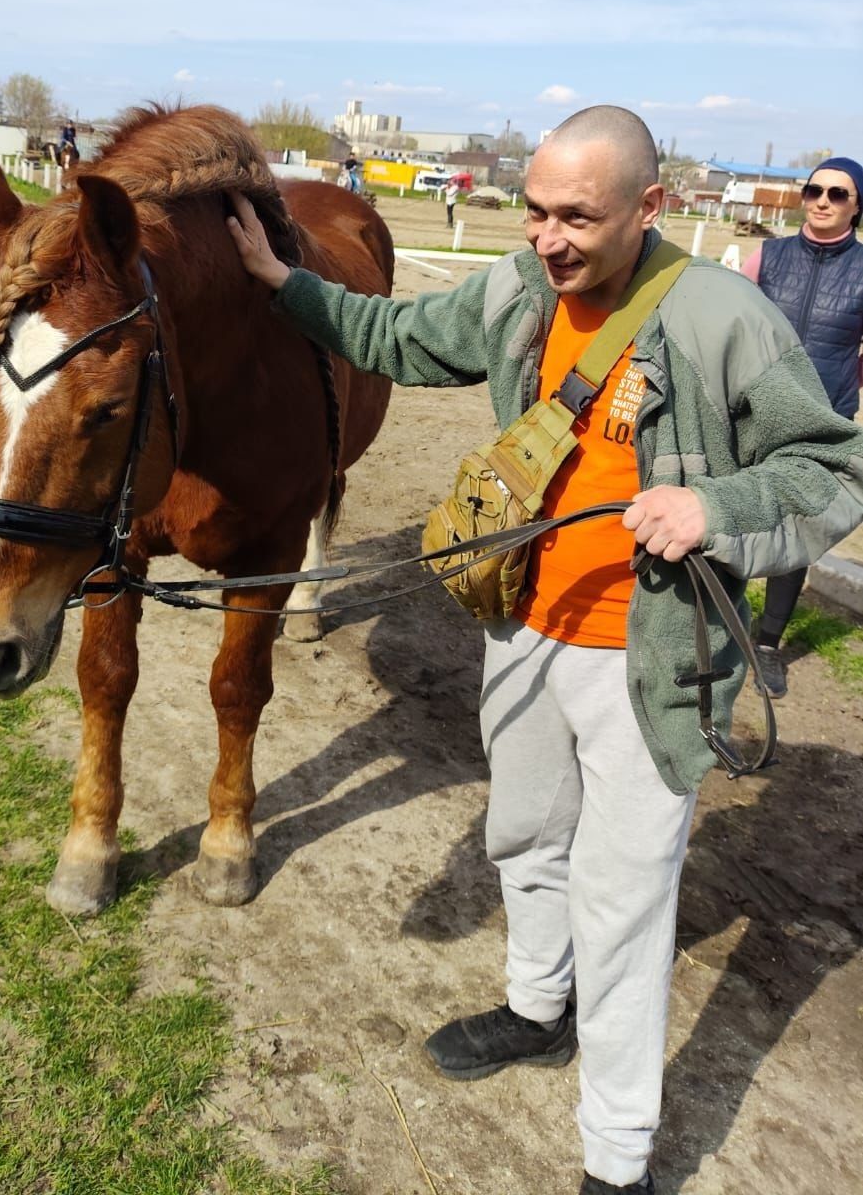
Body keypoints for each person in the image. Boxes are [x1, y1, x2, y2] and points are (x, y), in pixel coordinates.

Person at [226, 106, 863, 1194]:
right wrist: (283, 282)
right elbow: (392, 338)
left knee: (622, 902)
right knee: (522, 833)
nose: (549, 238)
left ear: (649, 208)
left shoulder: (721, 316)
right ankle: (535, 1006)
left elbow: (828, 469)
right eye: (534, 211)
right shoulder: (517, 291)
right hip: (519, 629)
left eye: (578, 215)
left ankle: (615, 1158)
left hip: (646, 662)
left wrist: (713, 506)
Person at [740, 156, 863, 696]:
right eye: (816, 189)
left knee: (797, 527)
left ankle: (767, 644)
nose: (823, 201)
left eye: (839, 194)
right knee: (732, 513)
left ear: (857, 208)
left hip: (823, 421)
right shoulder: (764, 257)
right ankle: (717, 622)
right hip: (752, 411)